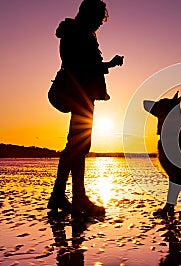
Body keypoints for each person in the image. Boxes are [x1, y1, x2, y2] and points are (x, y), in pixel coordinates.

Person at [48, 0, 123, 216]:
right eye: (99, 18)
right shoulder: (78, 33)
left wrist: (106, 64)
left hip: (80, 94)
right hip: (79, 94)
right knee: (79, 146)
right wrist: (109, 64)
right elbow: (81, 65)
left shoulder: (74, 31)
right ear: (89, 15)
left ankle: (61, 195)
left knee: (77, 145)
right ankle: (75, 197)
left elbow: (81, 63)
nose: (101, 22)